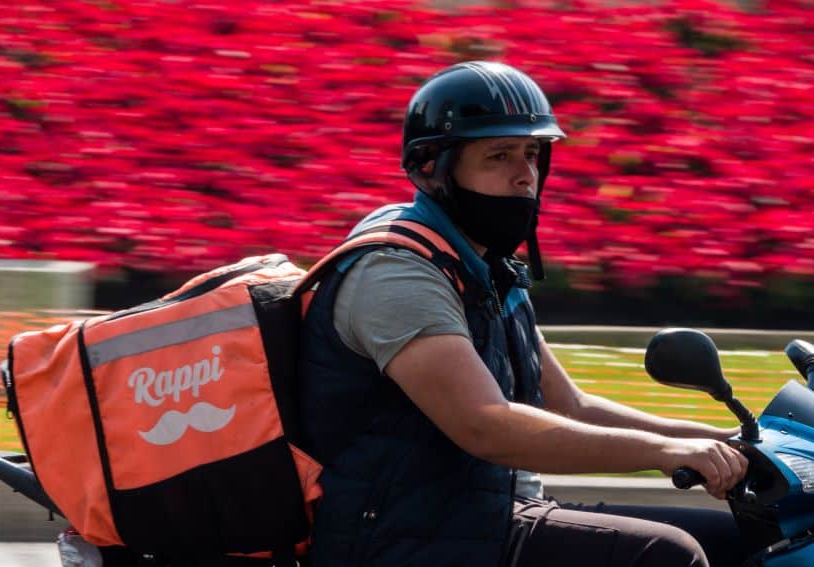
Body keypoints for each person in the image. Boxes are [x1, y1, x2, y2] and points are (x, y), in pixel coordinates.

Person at [298, 61, 749, 566]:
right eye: (499, 156)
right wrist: (661, 453)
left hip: (483, 515)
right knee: (666, 555)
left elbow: (568, 407)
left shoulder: (485, 266)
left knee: (745, 536)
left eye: (532, 154)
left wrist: (725, 440)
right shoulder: (396, 273)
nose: (524, 175)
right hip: (403, 538)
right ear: (431, 166)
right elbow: (484, 426)